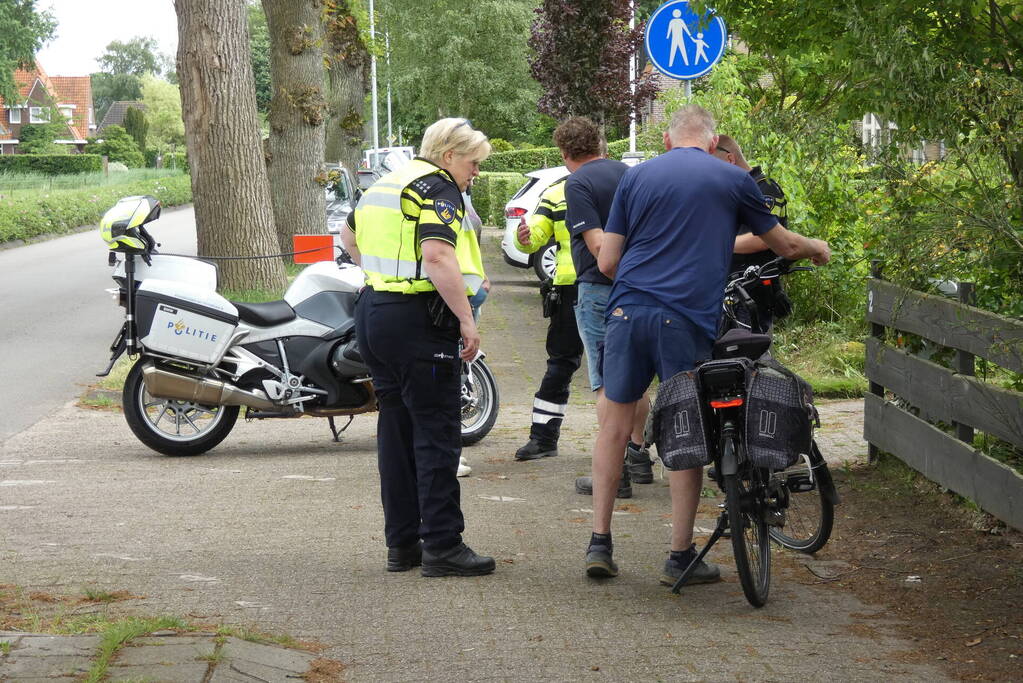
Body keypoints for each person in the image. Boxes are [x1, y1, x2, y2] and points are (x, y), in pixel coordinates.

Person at [584, 105, 831, 583]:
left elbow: (609, 260)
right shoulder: (730, 179)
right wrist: (816, 247)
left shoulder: (636, 179)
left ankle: (599, 543)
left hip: (626, 313)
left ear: (666, 137)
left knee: (614, 426)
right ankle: (679, 556)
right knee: (685, 430)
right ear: (714, 140)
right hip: (683, 319)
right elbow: (783, 245)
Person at [341, 117, 495, 578]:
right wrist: (466, 320)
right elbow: (437, 255)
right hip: (416, 320)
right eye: (473, 163)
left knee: (396, 431)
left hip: (374, 314)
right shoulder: (437, 188)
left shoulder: (386, 185)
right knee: (436, 433)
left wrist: (385, 278)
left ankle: (402, 545)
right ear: (449, 156)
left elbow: (348, 239)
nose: (475, 173)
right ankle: (444, 546)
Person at [555, 116, 652, 499]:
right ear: (601, 143)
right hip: (640, 288)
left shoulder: (577, 183)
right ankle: (639, 455)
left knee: (606, 383)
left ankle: (615, 473)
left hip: (600, 289)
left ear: (565, 153)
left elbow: (598, 247)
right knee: (637, 375)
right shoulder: (631, 174)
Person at [511, 174, 584, 461]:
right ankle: (543, 438)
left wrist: (528, 239)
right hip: (575, 287)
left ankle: (543, 438)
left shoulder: (560, 190)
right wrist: (525, 238)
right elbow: (535, 238)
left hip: (588, 286)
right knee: (563, 364)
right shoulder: (556, 192)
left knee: (562, 364)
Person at [714, 134, 790, 332]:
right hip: (723, 291)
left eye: (712, 162)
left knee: (750, 355)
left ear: (730, 158)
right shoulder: (726, 190)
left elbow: (762, 239)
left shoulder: (765, 190)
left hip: (752, 293)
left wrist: (713, 243)